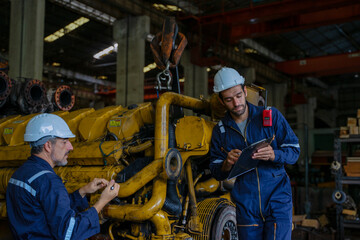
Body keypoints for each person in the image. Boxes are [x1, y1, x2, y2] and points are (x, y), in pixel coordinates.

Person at [209, 67, 300, 240]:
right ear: (221, 101)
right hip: (246, 204)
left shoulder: (271, 116)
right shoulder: (220, 131)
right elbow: (215, 169)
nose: (236, 103)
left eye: (238, 96)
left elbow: (294, 151)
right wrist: (226, 163)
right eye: (229, 99)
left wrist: (274, 155)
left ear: (244, 91)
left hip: (277, 198)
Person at [6, 113, 120, 239]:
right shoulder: (48, 181)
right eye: (64, 142)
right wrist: (102, 201)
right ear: (48, 146)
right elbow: (69, 233)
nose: (70, 147)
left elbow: (49, 209)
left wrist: (82, 191)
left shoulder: (20, 173)